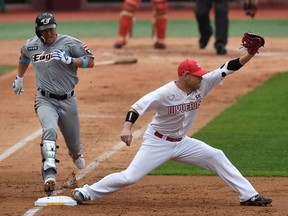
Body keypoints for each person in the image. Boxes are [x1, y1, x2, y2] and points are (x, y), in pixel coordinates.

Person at [71, 34, 272, 206]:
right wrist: (126, 128)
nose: (201, 78)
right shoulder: (165, 93)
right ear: (185, 76)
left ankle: (248, 196)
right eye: (196, 76)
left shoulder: (202, 84)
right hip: (157, 142)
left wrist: (249, 55)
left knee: (216, 155)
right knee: (130, 177)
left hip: (182, 142)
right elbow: (136, 107)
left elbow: (227, 68)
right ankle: (87, 192)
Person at [12, 12, 94, 196]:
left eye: (51, 29)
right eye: (44, 30)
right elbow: (24, 56)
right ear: (38, 31)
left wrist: (71, 60)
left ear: (56, 28)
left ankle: (76, 153)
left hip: (68, 100)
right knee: (49, 130)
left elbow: (91, 61)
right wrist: (19, 77)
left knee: (74, 147)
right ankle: (49, 172)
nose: (48, 33)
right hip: (44, 99)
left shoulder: (71, 43)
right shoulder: (31, 45)